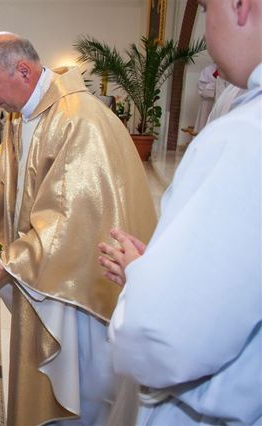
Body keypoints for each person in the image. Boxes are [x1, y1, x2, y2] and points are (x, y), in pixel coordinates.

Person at [0, 33, 157, 425]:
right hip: (41, 269)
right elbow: (1, 174)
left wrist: (12, 262)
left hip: (76, 282)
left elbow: (69, 214)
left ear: (23, 71)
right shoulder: (23, 115)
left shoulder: (77, 119)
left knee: (82, 384)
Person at [98, 0, 261, 424]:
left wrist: (142, 280)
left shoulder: (245, 139)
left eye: (207, 10)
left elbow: (162, 341)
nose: (208, 33)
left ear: (241, 7)